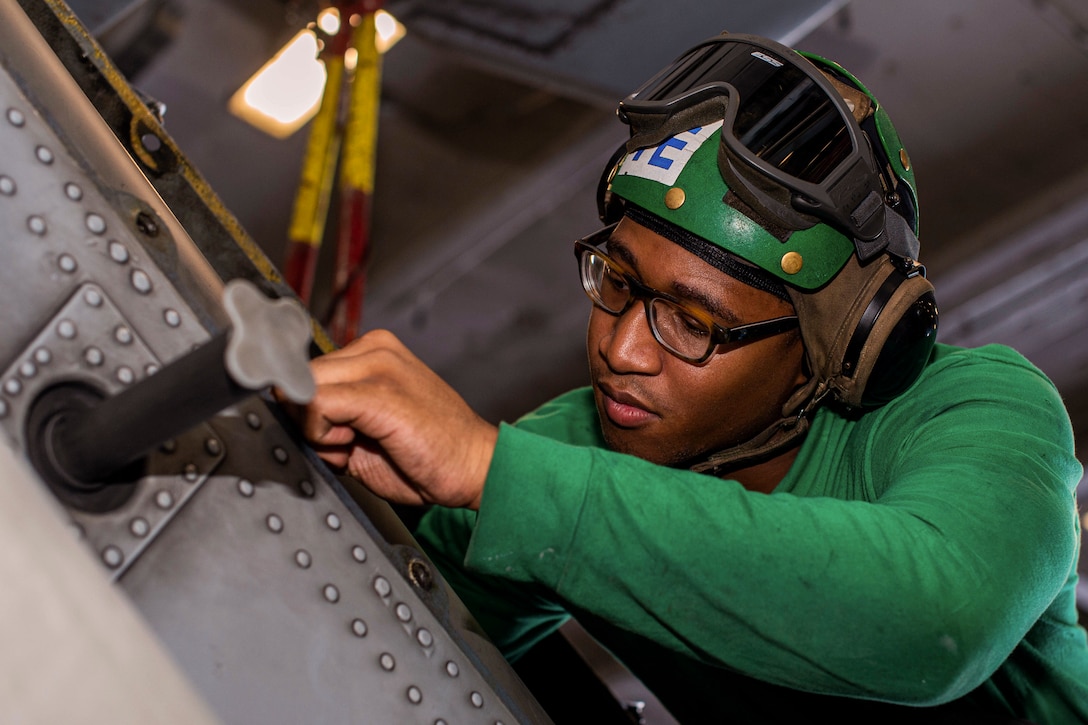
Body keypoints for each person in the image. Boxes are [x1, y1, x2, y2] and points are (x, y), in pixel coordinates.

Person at [291, 32, 1088, 723]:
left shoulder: (978, 410)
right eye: (616, 280)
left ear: (836, 347)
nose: (624, 350)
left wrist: (490, 469)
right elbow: (384, 646)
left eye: (694, 321)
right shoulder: (579, 445)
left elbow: (939, 621)